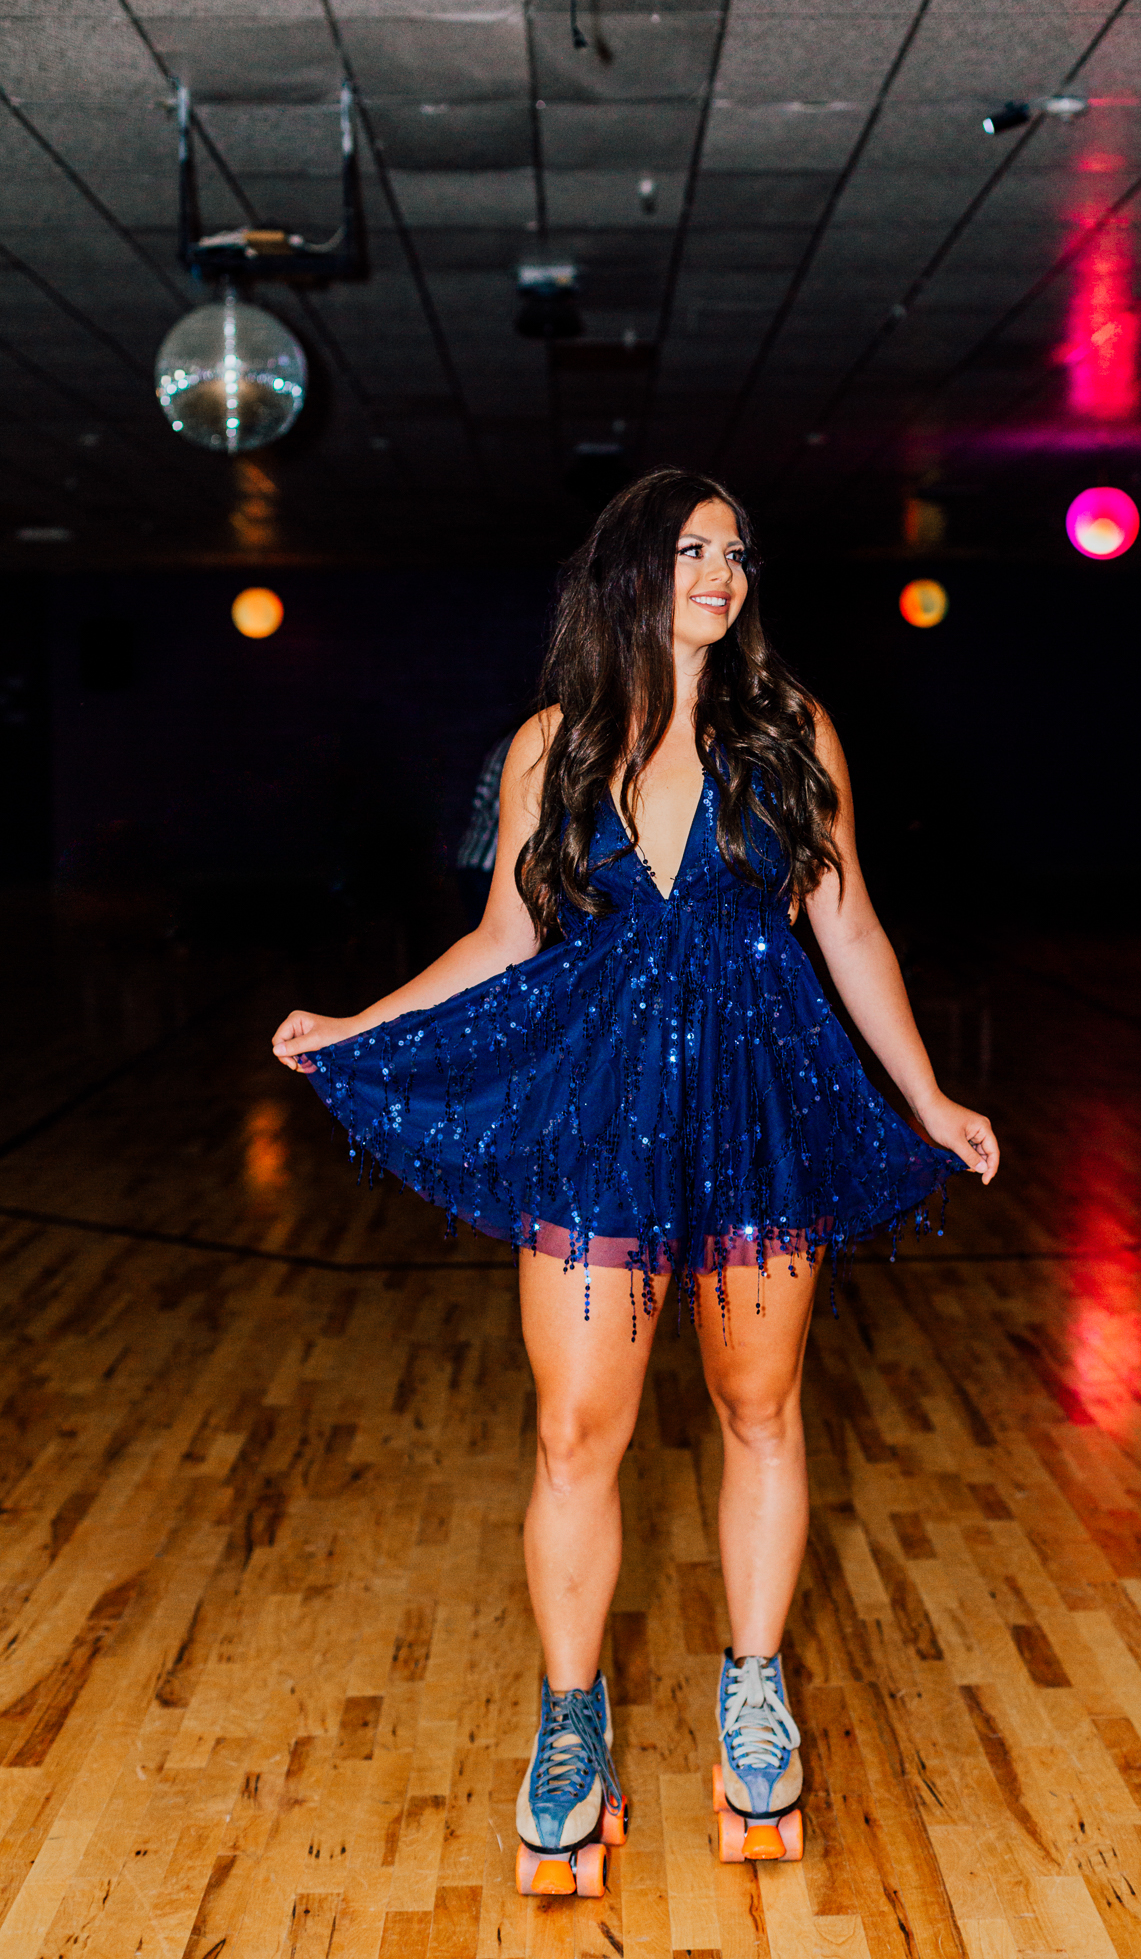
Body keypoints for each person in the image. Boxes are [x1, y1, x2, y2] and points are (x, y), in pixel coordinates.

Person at [272, 469, 998, 1889]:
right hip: (599, 1115)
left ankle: (751, 1682)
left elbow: (848, 927)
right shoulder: (551, 744)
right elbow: (504, 938)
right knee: (571, 1436)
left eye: (735, 551)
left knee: (760, 1413)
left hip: (754, 1112)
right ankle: (569, 1718)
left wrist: (926, 1093)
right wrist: (364, 1022)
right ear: (628, 571)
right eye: (689, 549)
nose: (719, 574)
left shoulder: (794, 735)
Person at [453, 728, 514, 929]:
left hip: (470, 857)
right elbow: (506, 809)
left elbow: (479, 800)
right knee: (496, 938)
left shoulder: (504, 740)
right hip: (489, 865)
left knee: (482, 932)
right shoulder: (524, 741)